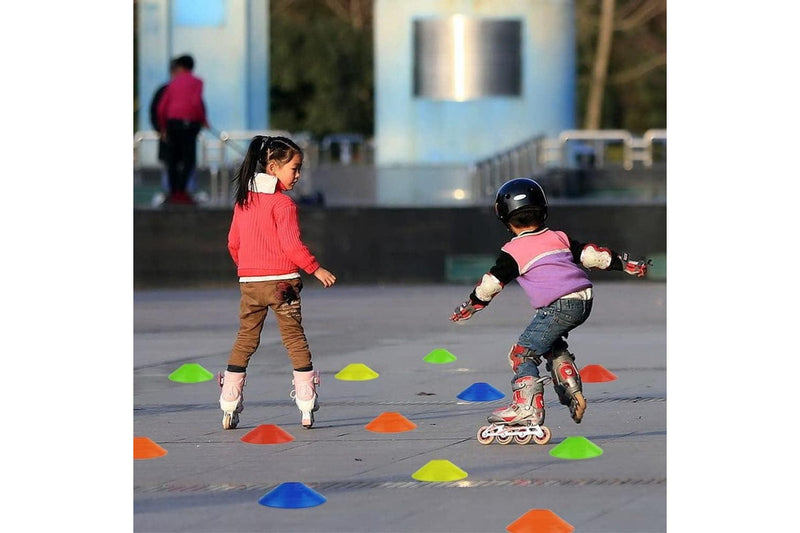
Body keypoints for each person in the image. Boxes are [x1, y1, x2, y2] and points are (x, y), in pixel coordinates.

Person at [450, 177, 650, 430]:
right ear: (543, 208)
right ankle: (571, 388)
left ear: (503, 216)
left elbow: (491, 284)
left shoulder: (513, 251)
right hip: (583, 301)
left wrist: (472, 305)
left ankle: (527, 407)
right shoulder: (558, 237)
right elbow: (592, 256)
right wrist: (627, 264)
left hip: (558, 306)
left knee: (522, 353)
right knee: (550, 345)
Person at [219, 135, 337, 430]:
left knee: (245, 339)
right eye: (294, 168)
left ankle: (229, 399)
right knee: (294, 339)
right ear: (272, 168)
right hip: (283, 283)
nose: (297, 175)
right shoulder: (283, 204)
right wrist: (316, 269)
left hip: (251, 282)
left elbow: (233, 242)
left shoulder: (243, 202)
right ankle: (306, 400)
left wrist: (248, 267)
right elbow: (292, 246)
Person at [156, 54, 209, 205]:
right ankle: (182, 191)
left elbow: (162, 108)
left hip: (172, 124)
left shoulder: (172, 83)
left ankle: (174, 192)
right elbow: (196, 103)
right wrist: (203, 120)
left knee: (172, 159)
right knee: (188, 159)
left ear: (180, 67)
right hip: (189, 125)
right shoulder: (197, 82)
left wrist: (163, 127)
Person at [148, 58, 198, 205]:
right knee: (172, 165)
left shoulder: (187, 89)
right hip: (171, 135)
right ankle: (174, 194)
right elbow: (157, 111)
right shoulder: (166, 89)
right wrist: (161, 129)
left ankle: (181, 193)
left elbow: (197, 110)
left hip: (183, 134)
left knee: (185, 165)